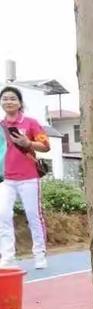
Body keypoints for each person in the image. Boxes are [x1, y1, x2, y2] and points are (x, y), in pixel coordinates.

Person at [0, 86, 50, 269]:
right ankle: (7, 256)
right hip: (6, 179)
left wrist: (28, 143)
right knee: (3, 215)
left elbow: (46, 146)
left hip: (29, 177)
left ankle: (39, 254)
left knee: (33, 216)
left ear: (20, 103)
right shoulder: (1, 126)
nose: (8, 101)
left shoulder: (30, 122)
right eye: (4, 98)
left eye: (12, 98)